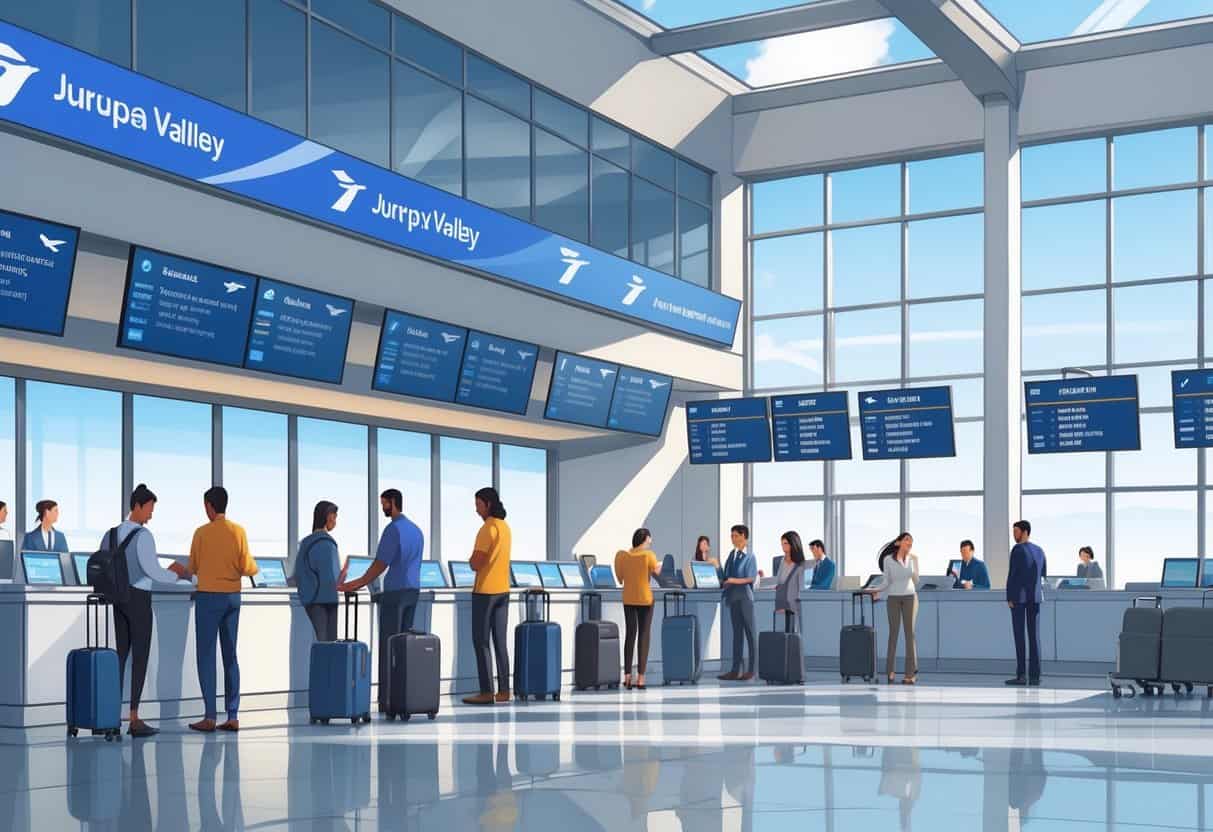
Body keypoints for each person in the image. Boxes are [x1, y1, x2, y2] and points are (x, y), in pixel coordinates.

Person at [106, 483, 188, 738]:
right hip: (139, 598)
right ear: (138, 506)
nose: (151, 515)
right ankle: (134, 717)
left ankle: (110, 715)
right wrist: (178, 574)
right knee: (140, 657)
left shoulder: (110, 534)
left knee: (119, 656)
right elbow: (154, 572)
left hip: (117, 598)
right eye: (150, 509)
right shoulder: (142, 536)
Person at [338, 489, 424, 713]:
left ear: (393, 503)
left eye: (384, 504)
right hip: (413, 591)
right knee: (405, 646)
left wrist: (354, 583)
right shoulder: (416, 530)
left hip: (394, 592)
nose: (383, 508)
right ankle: (404, 695)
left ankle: (386, 700)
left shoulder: (392, 529)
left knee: (388, 647)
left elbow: (380, 564)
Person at [184, 486, 258, 732]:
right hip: (233, 598)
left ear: (208, 506)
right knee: (230, 655)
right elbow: (248, 567)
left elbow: (192, 566)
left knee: (206, 656)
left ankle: (209, 717)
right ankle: (233, 715)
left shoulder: (201, 533)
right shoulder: (238, 531)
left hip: (208, 598)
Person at [464, 487, 513, 706]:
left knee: (481, 642)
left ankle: (486, 692)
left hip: (485, 592)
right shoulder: (505, 528)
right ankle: (504, 691)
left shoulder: (487, 528)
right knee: (500, 643)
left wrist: (470, 560)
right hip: (503, 590)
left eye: (478, 505)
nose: (476, 510)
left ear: (488, 504)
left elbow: (476, 562)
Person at [615, 528, 662, 690]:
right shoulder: (649, 555)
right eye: (650, 539)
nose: (651, 541)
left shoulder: (623, 556)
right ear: (645, 539)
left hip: (628, 599)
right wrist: (659, 565)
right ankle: (641, 678)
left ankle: (627, 676)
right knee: (644, 636)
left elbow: (620, 578)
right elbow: (657, 571)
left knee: (630, 635)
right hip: (645, 599)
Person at [870, 532, 919, 685]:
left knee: (909, 635)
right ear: (898, 543)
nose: (909, 543)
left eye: (911, 541)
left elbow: (916, 580)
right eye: (906, 540)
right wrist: (875, 590)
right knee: (893, 634)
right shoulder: (888, 560)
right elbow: (886, 581)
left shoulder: (912, 559)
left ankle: (910, 674)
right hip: (893, 598)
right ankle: (890, 671)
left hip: (910, 597)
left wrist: (915, 565)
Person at [294, 501, 344, 642]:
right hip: (326, 601)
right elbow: (333, 577)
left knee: (317, 645)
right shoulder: (328, 543)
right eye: (335, 517)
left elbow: (297, 573)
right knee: (328, 645)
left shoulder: (305, 543)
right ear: (328, 517)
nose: (335, 522)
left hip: (309, 601)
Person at [1006, 520, 1047, 687]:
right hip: (1035, 597)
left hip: (1018, 598)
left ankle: (1021, 675)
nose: (1013, 535)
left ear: (1024, 532)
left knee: (1019, 635)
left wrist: (1009, 596)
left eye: (1015, 531)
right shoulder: (1039, 550)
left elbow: (1012, 574)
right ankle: (1035, 675)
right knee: (1034, 636)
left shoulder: (1017, 550)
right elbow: (1043, 573)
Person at [718, 524, 758, 682]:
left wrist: (733, 580)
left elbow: (751, 578)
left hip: (745, 598)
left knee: (750, 634)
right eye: (731, 535)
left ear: (744, 537)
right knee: (737, 636)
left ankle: (752, 671)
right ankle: (735, 670)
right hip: (733, 598)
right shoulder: (731, 555)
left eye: (735, 535)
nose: (732, 538)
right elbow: (726, 575)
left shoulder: (750, 556)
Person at [775, 531, 807, 627]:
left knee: (793, 634)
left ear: (793, 544)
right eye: (782, 544)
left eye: (785, 543)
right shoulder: (782, 561)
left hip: (793, 607)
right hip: (780, 603)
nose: (782, 546)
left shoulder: (801, 565)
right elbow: (779, 581)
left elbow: (800, 589)